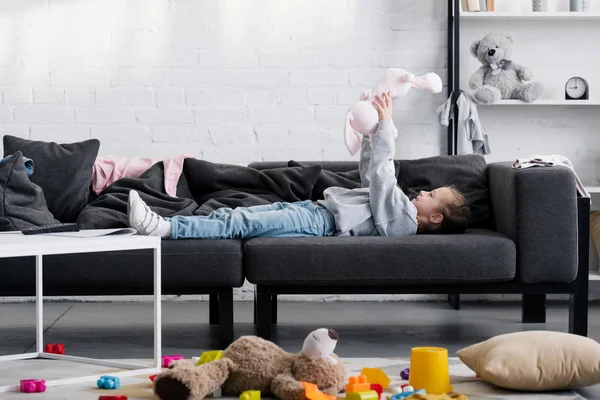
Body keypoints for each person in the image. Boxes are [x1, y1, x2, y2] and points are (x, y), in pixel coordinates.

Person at [127, 92, 471, 239]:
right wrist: (369, 135)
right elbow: (371, 175)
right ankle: (170, 224)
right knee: (232, 215)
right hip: (314, 210)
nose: (423, 191)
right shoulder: (396, 209)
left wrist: (386, 126)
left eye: (431, 194)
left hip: (318, 221)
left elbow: (383, 174)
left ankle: (168, 230)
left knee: (239, 220)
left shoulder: (403, 222)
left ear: (435, 217)